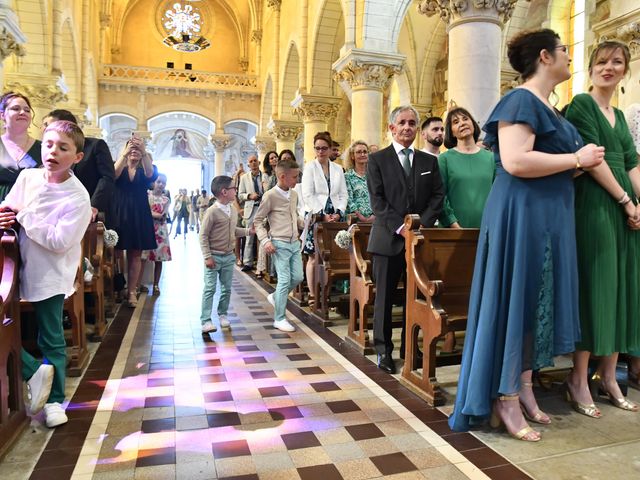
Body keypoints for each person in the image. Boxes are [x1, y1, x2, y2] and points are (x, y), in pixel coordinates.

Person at [448, 29, 604, 442]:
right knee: (518, 300)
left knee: (536, 301)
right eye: (565, 51)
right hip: (523, 212)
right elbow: (516, 160)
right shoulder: (519, 100)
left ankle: (524, 387)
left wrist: (577, 164)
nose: (570, 57)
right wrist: (577, 157)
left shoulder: (550, 108)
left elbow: (550, 161)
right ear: (545, 57)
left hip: (548, 212)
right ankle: (505, 396)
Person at [564, 40, 640, 416]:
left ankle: (609, 376)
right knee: (597, 288)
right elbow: (593, 161)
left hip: (624, 208)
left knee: (623, 288)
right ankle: (579, 377)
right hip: (596, 204)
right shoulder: (582, 104)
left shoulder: (622, 116)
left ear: (625, 69)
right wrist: (626, 201)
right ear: (591, 67)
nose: (609, 67)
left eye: (617, 62)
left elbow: (631, 164)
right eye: (602, 61)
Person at [0, 120, 92, 427]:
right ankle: (31, 371)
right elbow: (9, 208)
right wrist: (5, 215)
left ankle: (54, 401)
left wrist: (25, 216)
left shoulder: (77, 197)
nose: (52, 151)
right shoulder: (28, 177)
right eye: (48, 144)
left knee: (50, 336)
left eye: (63, 148)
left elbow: (59, 241)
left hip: (50, 271)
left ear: (77, 157)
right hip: (16, 262)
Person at [367, 105, 444, 374]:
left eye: (412, 123)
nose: (407, 127)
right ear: (392, 127)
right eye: (402, 122)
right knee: (385, 300)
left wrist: (421, 224)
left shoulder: (429, 162)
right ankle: (383, 350)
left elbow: (437, 197)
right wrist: (402, 227)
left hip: (418, 242)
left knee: (416, 298)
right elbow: (377, 202)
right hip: (388, 241)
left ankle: (410, 346)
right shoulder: (377, 160)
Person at [254, 157, 305, 332]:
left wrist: (302, 222)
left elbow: (293, 215)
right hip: (279, 243)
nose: (297, 180)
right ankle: (279, 318)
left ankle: (276, 297)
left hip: (294, 243)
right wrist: (265, 240)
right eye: (294, 177)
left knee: (298, 277)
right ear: (282, 177)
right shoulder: (270, 196)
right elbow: (258, 221)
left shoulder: (294, 194)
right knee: (284, 280)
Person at [41, 109, 115, 223]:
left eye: (48, 125)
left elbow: (107, 177)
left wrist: (94, 206)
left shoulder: (95, 145)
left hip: (89, 209)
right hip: (58, 209)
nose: (44, 129)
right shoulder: (46, 151)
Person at [199, 175, 252, 334]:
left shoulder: (232, 210)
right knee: (209, 288)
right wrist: (207, 256)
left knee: (226, 288)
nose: (235, 191)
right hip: (214, 256)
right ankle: (206, 320)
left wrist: (249, 231)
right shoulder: (212, 212)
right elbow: (203, 235)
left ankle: (222, 314)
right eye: (233, 188)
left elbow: (233, 231)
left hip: (228, 256)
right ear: (224, 192)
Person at [301, 131, 348, 307]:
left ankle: (326, 293)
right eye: (317, 148)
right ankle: (313, 293)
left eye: (324, 148)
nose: (320, 152)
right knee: (313, 255)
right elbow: (307, 194)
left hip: (334, 215)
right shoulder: (310, 168)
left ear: (330, 149)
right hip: (316, 214)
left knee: (331, 255)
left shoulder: (337, 169)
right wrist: (322, 213)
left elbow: (343, 194)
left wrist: (338, 212)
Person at [112, 134, 158, 308]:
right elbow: (113, 174)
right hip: (119, 212)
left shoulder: (146, 168)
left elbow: (150, 174)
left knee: (135, 254)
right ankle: (117, 287)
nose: (135, 152)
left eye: (138, 149)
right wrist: (125, 154)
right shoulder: (119, 167)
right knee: (116, 253)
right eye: (132, 148)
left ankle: (132, 291)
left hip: (139, 213)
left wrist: (143, 151)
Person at [439, 107, 495, 229]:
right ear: (451, 132)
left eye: (465, 119)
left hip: (487, 228)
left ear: (473, 124)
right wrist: (453, 224)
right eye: (456, 122)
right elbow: (440, 196)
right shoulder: (444, 159)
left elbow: (498, 194)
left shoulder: (491, 158)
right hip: (453, 231)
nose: (462, 123)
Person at [0, 91, 41, 201]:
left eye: (27, 110)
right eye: (16, 108)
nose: (22, 112)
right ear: (2, 114)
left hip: (33, 211)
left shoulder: (44, 148)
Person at [141, 173, 172, 296]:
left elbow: (163, 215)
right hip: (146, 229)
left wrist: (157, 215)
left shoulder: (166, 199)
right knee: (142, 257)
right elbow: (144, 211)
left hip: (160, 231)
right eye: (158, 182)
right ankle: (139, 284)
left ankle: (156, 284)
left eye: (163, 183)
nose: (161, 185)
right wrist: (154, 215)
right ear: (153, 182)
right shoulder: (147, 195)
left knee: (159, 259)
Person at [238, 154, 264, 271]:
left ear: (259, 163)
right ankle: (247, 262)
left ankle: (262, 264)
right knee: (250, 236)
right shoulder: (244, 178)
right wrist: (249, 195)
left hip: (263, 208)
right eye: (251, 161)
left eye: (255, 161)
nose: (253, 163)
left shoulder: (265, 176)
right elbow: (240, 195)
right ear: (248, 165)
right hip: (251, 208)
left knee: (263, 236)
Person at [255, 150, 279, 279]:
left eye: (276, 157)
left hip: (279, 209)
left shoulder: (281, 172)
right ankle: (261, 267)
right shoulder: (266, 175)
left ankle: (273, 270)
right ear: (268, 161)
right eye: (271, 158)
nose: (274, 159)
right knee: (265, 238)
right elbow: (266, 191)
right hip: (268, 206)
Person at [345, 140, 375, 223]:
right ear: (352, 156)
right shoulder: (347, 176)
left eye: (365, 152)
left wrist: (374, 215)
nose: (362, 154)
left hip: (375, 220)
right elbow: (349, 200)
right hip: (355, 220)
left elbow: (379, 197)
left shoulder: (375, 176)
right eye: (358, 152)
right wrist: (361, 217)